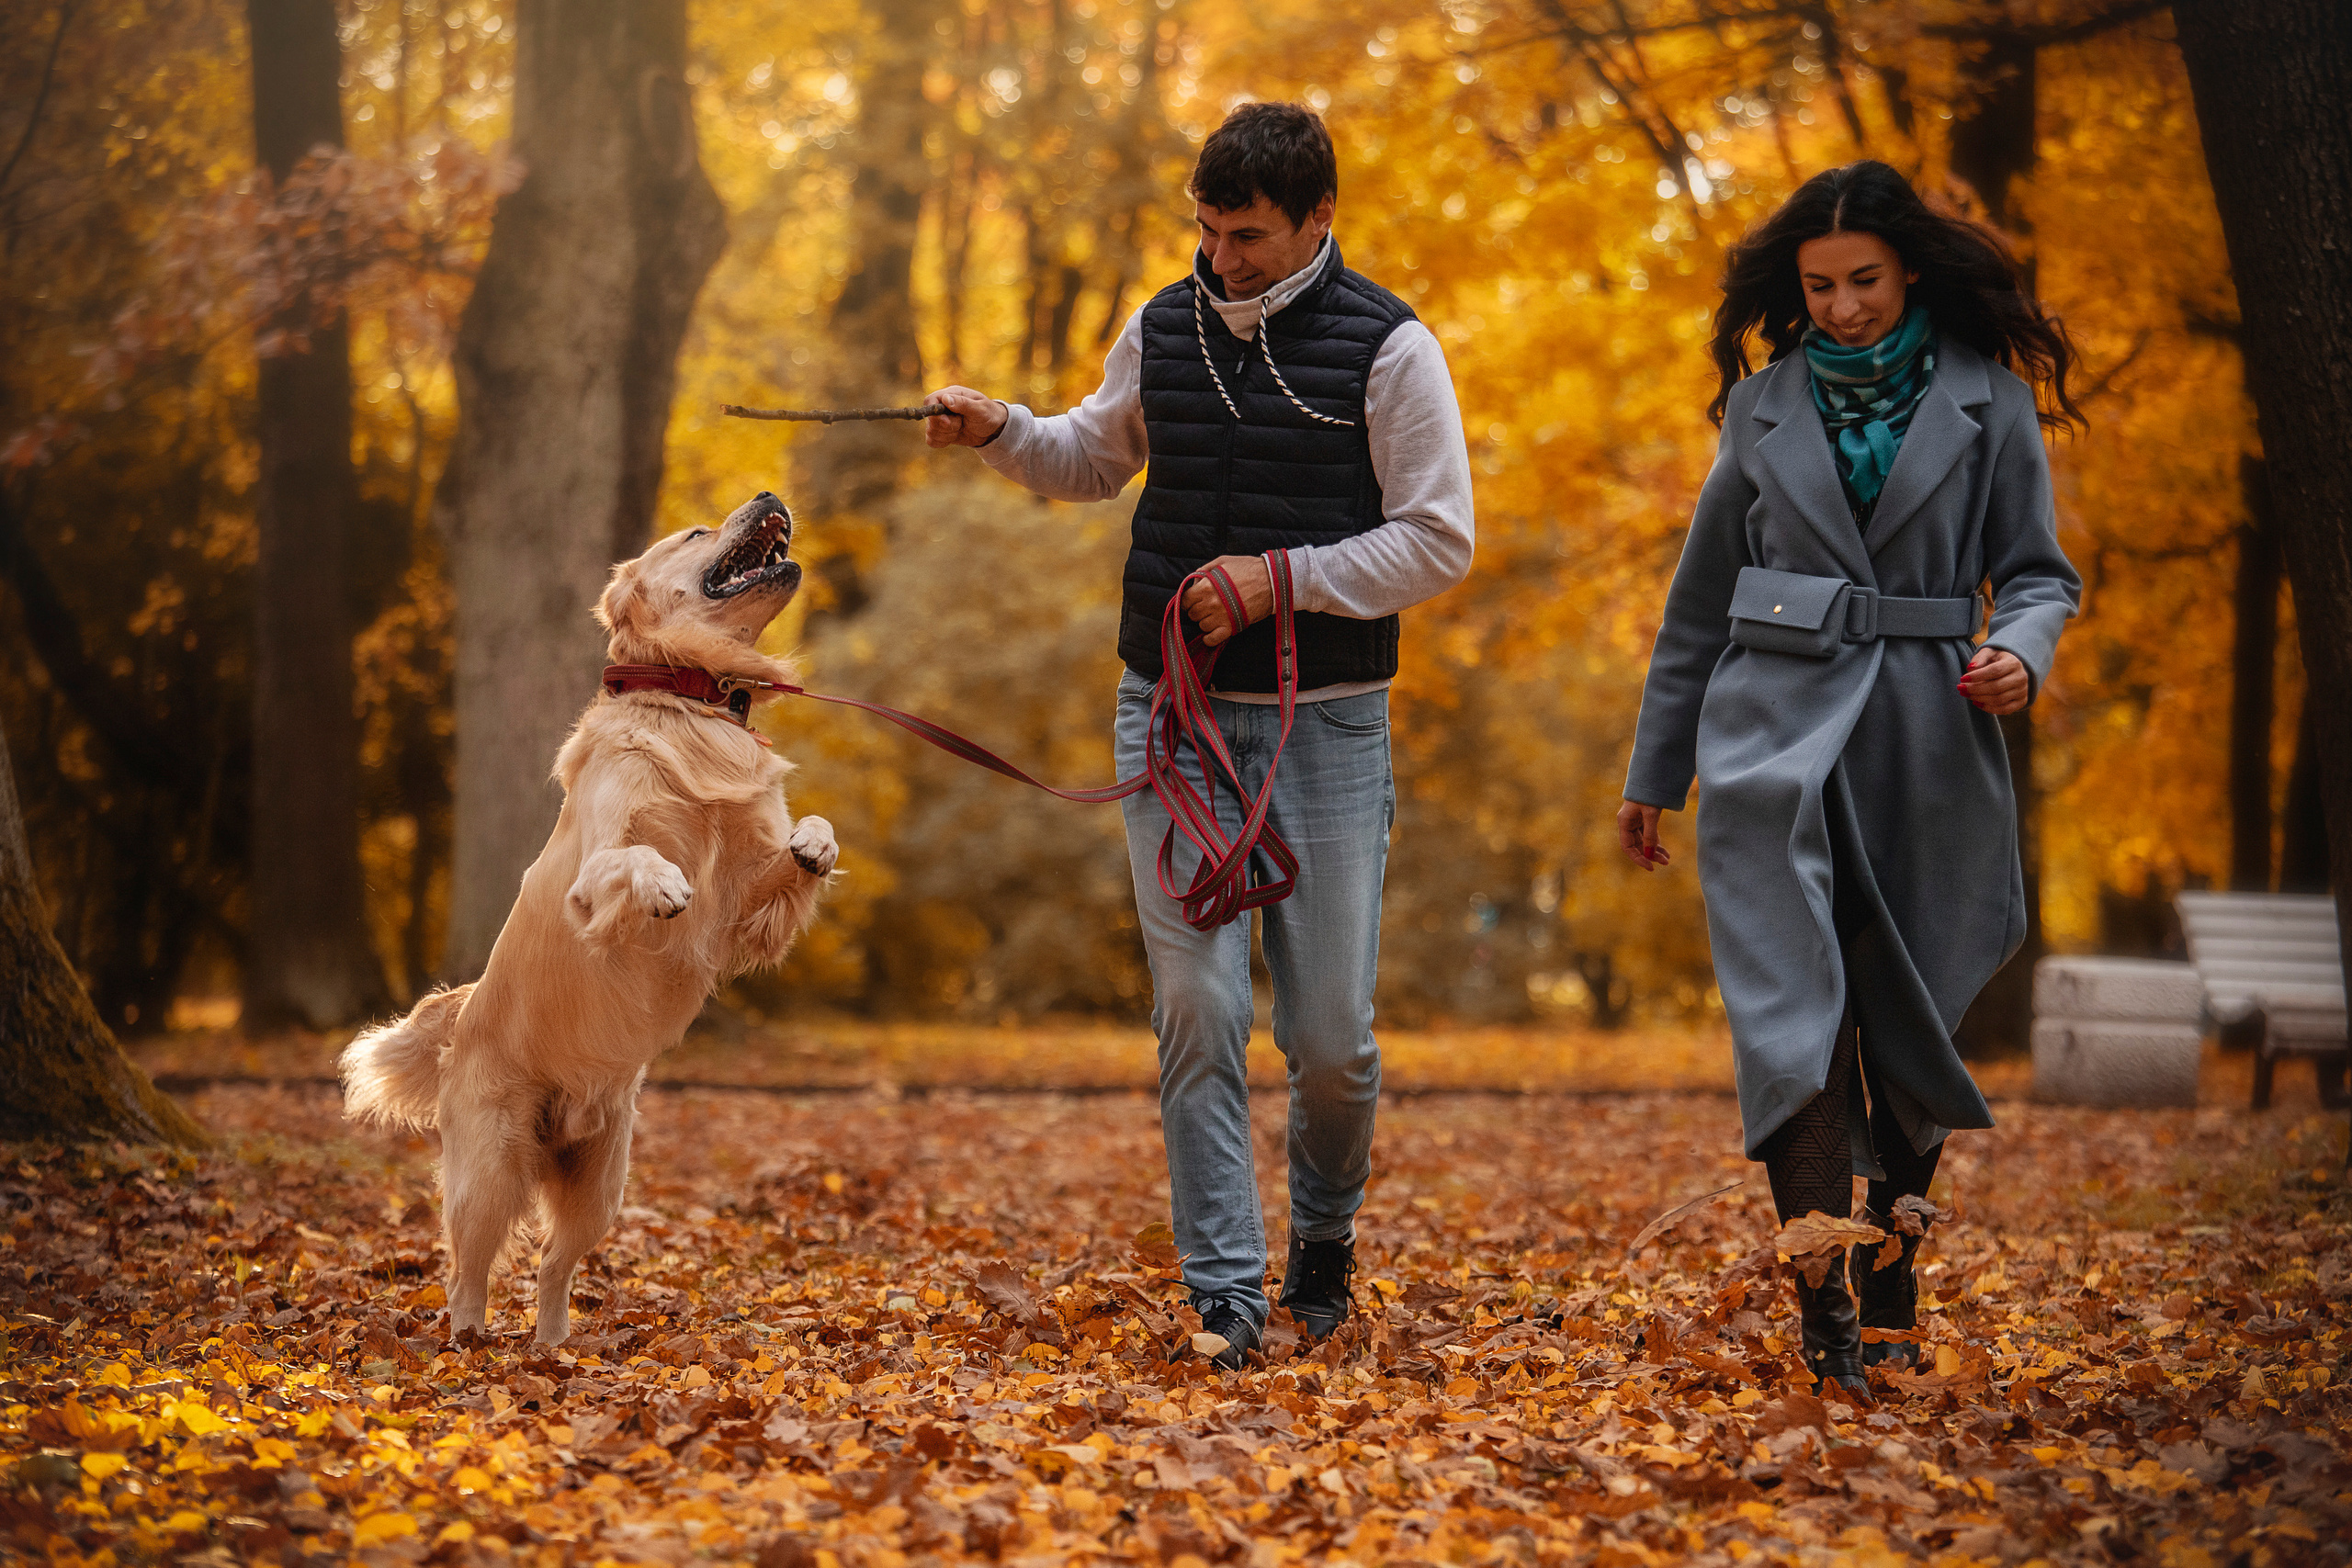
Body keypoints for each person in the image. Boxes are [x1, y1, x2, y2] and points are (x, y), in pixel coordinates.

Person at [924, 102, 1473, 1370]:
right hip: (1169, 715)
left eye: (1249, 237)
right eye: (1207, 231)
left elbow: (1440, 539)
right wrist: (1001, 429)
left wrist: (1280, 579)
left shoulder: (1394, 351)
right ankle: (1224, 1293)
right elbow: (1087, 458)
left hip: (1327, 728)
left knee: (1331, 1040)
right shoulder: (1162, 326)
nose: (1219, 260)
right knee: (1198, 1007)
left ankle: (1322, 1242)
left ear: (1318, 219)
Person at [1617, 161, 2082, 1396]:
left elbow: (2039, 575)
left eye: (1863, 281)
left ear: (1909, 271)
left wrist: (2019, 656)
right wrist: (1655, 770)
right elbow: (1700, 604)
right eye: (1818, 286)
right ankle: (1825, 1312)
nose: (1840, 306)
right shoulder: (1759, 409)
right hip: (1770, 735)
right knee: (1792, 1017)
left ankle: (1891, 1273)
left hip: (1929, 732)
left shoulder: (1992, 402)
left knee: (1913, 1016)